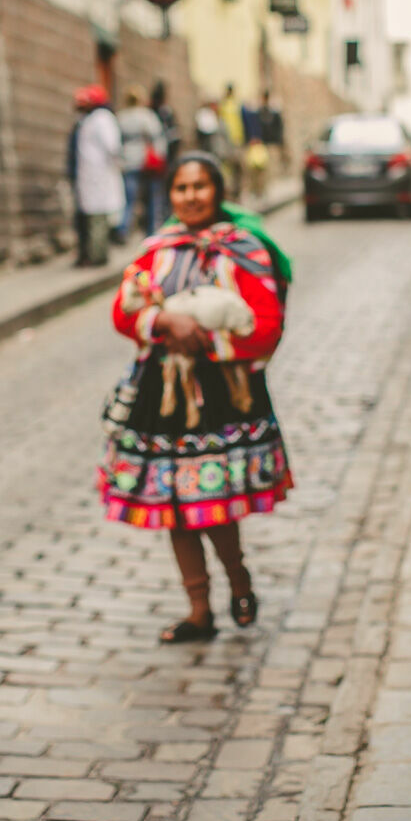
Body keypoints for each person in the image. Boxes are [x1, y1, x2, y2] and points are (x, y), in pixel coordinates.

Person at [100, 152, 295, 643]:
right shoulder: (155, 252)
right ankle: (198, 610)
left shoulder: (246, 248)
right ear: (171, 196)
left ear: (218, 191)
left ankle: (238, 580)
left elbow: (267, 326)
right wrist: (164, 322)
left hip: (224, 395)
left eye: (200, 186)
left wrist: (204, 342)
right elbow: (124, 312)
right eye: (181, 188)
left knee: (213, 502)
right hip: (163, 397)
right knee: (174, 507)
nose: (190, 197)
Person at [69, 84, 124, 266]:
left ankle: (98, 255)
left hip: (99, 177)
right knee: (94, 218)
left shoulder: (101, 119)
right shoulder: (89, 120)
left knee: (98, 218)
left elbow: (112, 147)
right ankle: (94, 254)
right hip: (92, 178)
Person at [116, 84, 169, 238]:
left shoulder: (121, 117)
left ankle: (124, 229)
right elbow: (157, 137)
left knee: (129, 199)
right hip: (146, 162)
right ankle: (152, 229)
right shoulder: (146, 116)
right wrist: (160, 159)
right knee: (152, 198)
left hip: (127, 161)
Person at [258, 90, 286, 171]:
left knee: (273, 166)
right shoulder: (262, 111)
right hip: (265, 142)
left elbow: (278, 126)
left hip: (273, 141)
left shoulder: (273, 111)